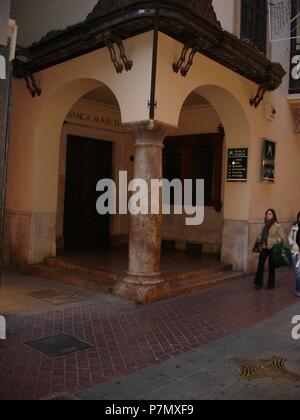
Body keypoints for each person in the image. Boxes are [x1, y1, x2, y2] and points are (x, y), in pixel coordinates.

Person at [254, 209, 284, 290]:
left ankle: (271, 284)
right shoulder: (263, 224)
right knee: (260, 265)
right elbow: (260, 234)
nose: (268, 215)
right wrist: (260, 237)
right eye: (267, 214)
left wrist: (272, 241)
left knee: (271, 267)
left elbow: (281, 238)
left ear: (273, 215)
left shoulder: (277, 225)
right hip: (264, 248)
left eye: (270, 214)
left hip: (272, 248)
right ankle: (258, 283)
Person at [288, 212, 300, 297]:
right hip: (295, 252)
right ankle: (298, 290)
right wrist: (292, 243)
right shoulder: (295, 226)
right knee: (297, 272)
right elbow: (290, 236)